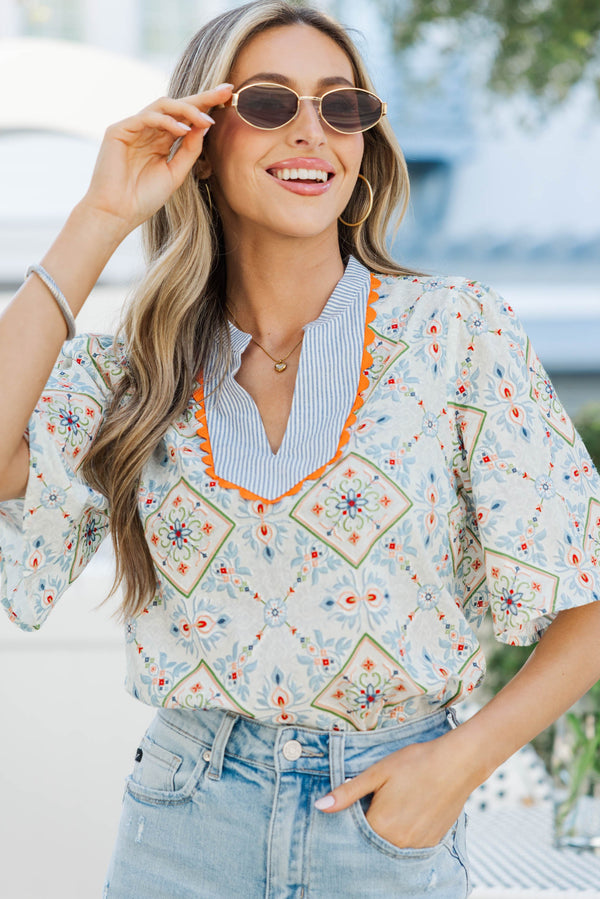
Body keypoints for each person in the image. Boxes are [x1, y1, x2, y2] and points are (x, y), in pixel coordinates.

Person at [1, 1, 599, 896]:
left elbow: (589, 593)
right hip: (184, 824)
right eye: (270, 102)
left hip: (386, 822)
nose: (314, 131)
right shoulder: (132, 371)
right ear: (201, 145)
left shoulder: (456, 331)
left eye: (341, 106)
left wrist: (455, 766)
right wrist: (100, 213)